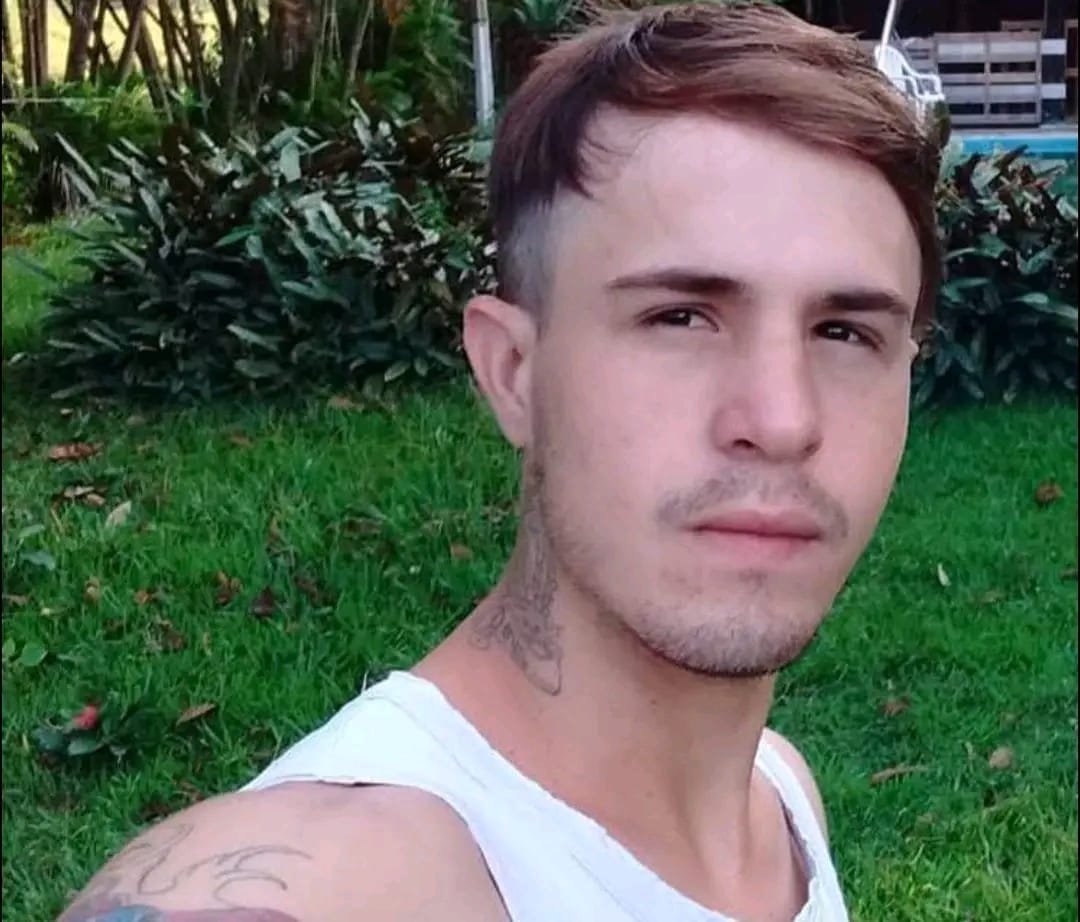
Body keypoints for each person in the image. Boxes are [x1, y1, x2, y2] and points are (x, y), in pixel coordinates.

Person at [58, 4, 942, 921]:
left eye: (846, 332)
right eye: (679, 317)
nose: (784, 419)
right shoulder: (343, 883)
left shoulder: (778, 801)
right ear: (513, 372)